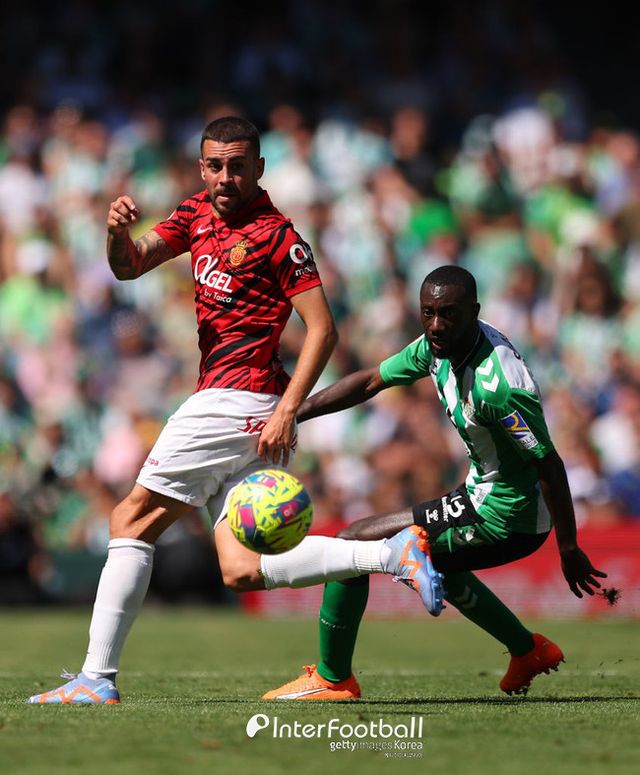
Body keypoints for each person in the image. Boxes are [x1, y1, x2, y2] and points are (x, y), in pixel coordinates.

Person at [27, 116, 445, 706]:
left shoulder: (277, 236)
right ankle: (390, 553)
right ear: (202, 167)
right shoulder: (195, 213)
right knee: (242, 569)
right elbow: (129, 265)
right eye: (216, 165)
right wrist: (116, 233)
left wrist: (288, 410)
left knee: (130, 519)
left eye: (238, 166)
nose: (226, 177)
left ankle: (97, 677)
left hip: (235, 399)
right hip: (247, 407)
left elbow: (323, 330)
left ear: (259, 169)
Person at [262, 264, 607, 701]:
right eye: (428, 313)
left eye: (448, 314)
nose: (437, 324)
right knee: (437, 561)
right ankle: (527, 651)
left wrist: (569, 547)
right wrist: (292, 413)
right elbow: (370, 381)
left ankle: (333, 679)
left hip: (508, 517)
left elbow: (549, 463)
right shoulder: (437, 346)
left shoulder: (499, 387)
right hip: (478, 494)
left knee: (353, 543)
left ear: (474, 312)